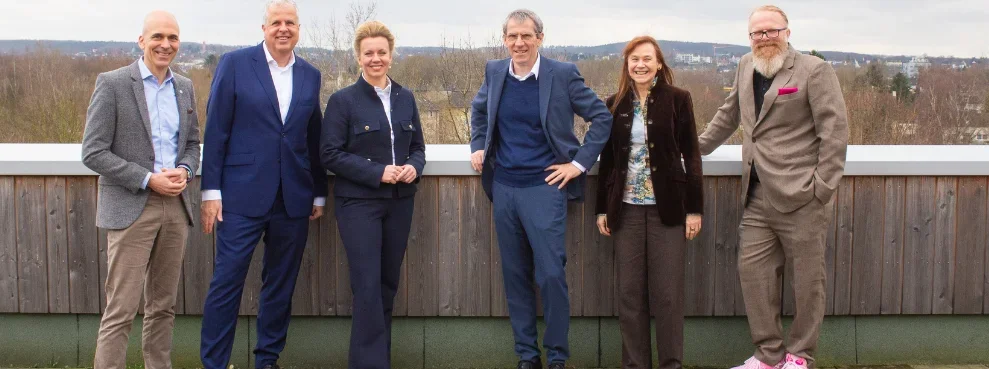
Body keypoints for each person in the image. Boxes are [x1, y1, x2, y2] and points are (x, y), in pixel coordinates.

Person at [696, 5, 848, 369]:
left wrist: (821, 189)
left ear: (787, 32)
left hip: (802, 197)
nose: (764, 38)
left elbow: (835, 132)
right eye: (757, 33)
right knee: (755, 276)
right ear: (749, 38)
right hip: (756, 196)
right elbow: (727, 116)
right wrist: (688, 150)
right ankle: (767, 356)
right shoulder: (745, 66)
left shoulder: (815, 70)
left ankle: (799, 356)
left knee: (808, 283)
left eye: (771, 31)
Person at [469, 9, 613, 369]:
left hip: (545, 189)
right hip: (504, 187)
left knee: (550, 274)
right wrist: (477, 144)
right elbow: (479, 109)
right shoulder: (495, 71)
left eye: (526, 36)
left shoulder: (561, 75)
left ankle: (558, 358)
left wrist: (578, 164)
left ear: (540, 39)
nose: (519, 43)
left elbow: (602, 118)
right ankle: (527, 357)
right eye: (512, 36)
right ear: (504, 39)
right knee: (515, 275)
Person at [198, 1, 328, 368]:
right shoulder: (236, 65)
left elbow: (310, 134)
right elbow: (216, 130)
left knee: (280, 286)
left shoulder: (310, 74)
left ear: (298, 29)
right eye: (276, 22)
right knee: (226, 284)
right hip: (239, 197)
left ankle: (267, 359)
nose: (283, 28)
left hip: (293, 199)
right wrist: (211, 191)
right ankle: (214, 363)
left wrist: (318, 190)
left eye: (290, 23)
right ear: (264, 28)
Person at [81, 10, 201, 369]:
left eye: (173, 38)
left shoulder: (185, 86)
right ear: (142, 41)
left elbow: (194, 143)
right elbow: (93, 151)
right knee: (121, 309)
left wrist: (184, 169)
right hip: (132, 206)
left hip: (176, 208)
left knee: (163, 306)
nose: (166, 45)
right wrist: (148, 179)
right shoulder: (114, 83)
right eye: (158, 37)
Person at [319, 20, 425, 369]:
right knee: (366, 286)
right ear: (358, 58)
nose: (375, 59)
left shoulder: (406, 97)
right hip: (359, 205)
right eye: (369, 53)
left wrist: (413, 166)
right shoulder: (343, 101)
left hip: (400, 204)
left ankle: (375, 360)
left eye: (382, 52)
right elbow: (330, 154)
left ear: (391, 56)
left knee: (386, 285)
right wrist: (378, 172)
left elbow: (419, 148)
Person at [594, 35, 703, 369]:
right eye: (633, 59)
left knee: (668, 296)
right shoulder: (615, 103)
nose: (640, 65)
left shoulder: (678, 99)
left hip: (667, 210)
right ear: (627, 65)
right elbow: (608, 160)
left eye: (646, 59)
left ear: (658, 64)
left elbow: (691, 155)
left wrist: (694, 209)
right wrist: (602, 208)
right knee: (629, 295)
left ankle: (671, 364)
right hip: (624, 210)